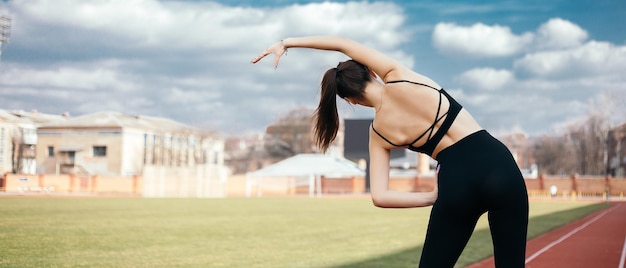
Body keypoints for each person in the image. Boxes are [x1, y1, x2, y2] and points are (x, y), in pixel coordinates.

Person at [252, 36, 528, 267]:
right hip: (497, 162)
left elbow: (380, 196)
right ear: (371, 72)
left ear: (350, 101)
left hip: (456, 182)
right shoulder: (398, 75)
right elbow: (341, 43)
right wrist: (286, 42)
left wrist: (431, 197)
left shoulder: (379, 133)